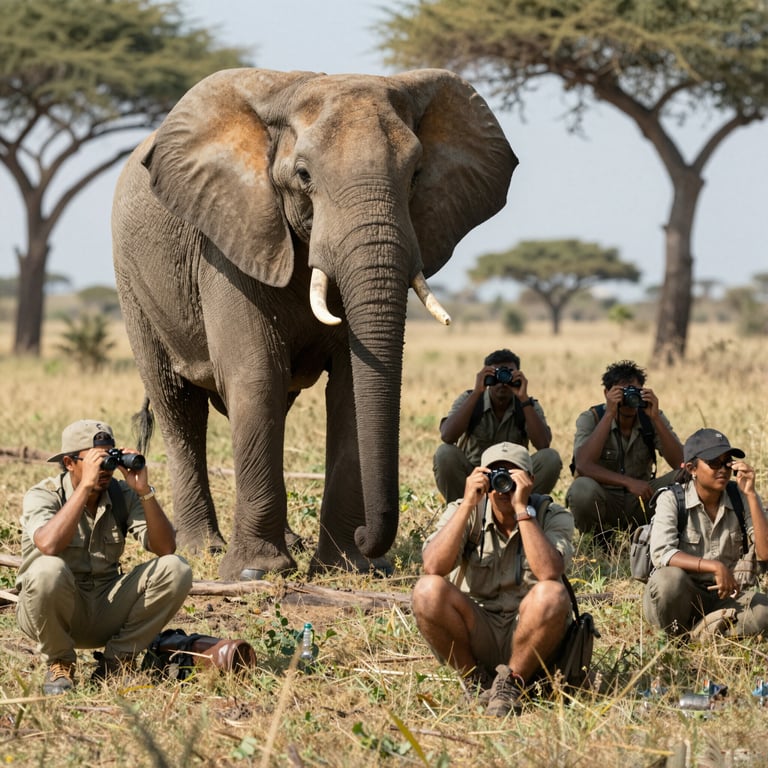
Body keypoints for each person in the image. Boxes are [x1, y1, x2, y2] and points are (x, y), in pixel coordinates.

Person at [16, 420, 193, 695]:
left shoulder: (121, 495)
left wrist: (144, 492)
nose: (105, 470)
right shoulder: (44, 495)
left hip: (104, 607)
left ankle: (117, 661)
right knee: (47, 569)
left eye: (109, 459)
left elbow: (165, 548)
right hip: (48, 614)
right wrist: (84, 489)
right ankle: (60, 662)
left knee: (176, 568)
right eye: (95, 461)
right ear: (69, 462)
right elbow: (48, 544)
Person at [412, 442, 574, 716]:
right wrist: (467, 505)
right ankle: (475, 681)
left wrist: (522, 509)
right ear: (483, 477)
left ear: (530, 480)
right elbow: (433, 565)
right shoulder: (466, 509)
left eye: (513, 476)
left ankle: (512, 682)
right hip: (479, 629)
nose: (503, 483)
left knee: (553, 594)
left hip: (531, 636)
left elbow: (549, 572)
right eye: (496, 474)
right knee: (427, 590)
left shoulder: (551, 515)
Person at [643, 428, 768, 637]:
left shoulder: (741, 496)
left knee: (764, 612)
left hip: (727, 597)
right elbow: (661, 553)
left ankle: (698, 635)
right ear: (692, 468)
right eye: (713, 463)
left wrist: (751, 494)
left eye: (727, 462)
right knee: (668, 581)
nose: (723, 470)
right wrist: (714, 566)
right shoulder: (672, 498)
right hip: (683, 596)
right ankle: (682, 634)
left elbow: (765, 553)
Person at [566, 359, 683, 542]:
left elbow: (681, 463)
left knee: (686, 476)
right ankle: (598, 538)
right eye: (621, 392)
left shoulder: (651, 417)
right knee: (581, 488)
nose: (628, 399)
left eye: (634, 392)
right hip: (605, 499)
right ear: (607, 393)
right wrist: (610, 414)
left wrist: (656, 419)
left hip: (642, 499)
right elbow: (582, 465)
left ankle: (655, 533)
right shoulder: (592, 418)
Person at [433, 349, 562, 502]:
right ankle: (462, 510)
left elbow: (543, 444)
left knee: (550, 457)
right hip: (476, 479)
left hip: (515, 481)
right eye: (496, 374)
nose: (502, 381)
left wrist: (524, 399)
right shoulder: (471, 400)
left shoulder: (527, 405)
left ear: (518, 375)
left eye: (508, 374)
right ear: (485, 376)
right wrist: (477, 392)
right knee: (444, 453)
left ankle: (522, 509)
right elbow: (447, 436)